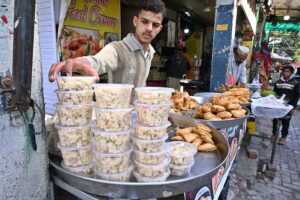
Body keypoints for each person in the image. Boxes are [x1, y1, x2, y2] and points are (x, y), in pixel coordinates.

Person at [48, 0, 166, 87]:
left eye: (155, 25)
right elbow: (98, 61)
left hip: (139, 116)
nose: (149, 28)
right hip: (114, 116)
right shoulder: (117, 49)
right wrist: (79, 63)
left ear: (159, 29)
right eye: (144, 21)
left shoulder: (150, 52)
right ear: (135, 21)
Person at [272, 65, 300, 145]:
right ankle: (274, 135)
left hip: (288, 106)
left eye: (288, 71)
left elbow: (297, 95)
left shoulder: (295, 82)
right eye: (284, 71)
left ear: (291, 73)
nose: (285, 73)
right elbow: (275, 93)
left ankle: (283, 137)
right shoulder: (278, 82)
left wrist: (293, 107)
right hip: (278, 106)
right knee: (275, 120)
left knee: (286, 121)